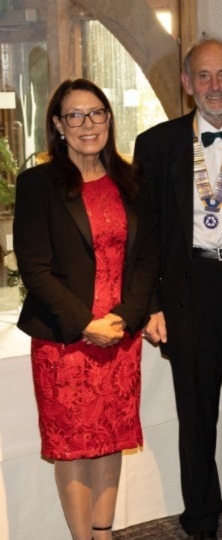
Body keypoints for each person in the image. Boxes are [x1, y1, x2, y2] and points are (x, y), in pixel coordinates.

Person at [133, 38, 222, 540]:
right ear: (186, 82)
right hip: (189, 289)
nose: (214, 87)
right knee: (195, 411)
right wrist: (151, 304)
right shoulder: (155, 145)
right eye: (203, 76)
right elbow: (144, 233)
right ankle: (201, 519)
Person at [14, 78, 158, 540]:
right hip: (65, 338)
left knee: (110, 437)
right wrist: (85, 324)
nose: (87, 124)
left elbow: (147, 258)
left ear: (109, 118)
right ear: (58, 125)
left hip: (119, 333)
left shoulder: (131, 179)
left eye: (96, 112)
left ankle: (103, 533)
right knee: (73, 446)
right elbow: (35, 269)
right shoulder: (37, 184)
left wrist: (126, 319)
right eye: (74, 115)